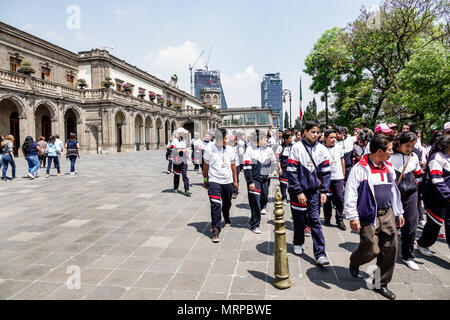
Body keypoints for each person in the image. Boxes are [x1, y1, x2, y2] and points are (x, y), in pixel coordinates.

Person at [344, 134, 405, 300]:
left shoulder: (389, 167)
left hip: (388, 214)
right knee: (371, 248)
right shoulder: (360, 168)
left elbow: (394, 192)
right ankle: (355, 261)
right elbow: (350, 194)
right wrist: (353, 216)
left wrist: (399, 212)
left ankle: (381, 284)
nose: (392, 152)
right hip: (368, 215)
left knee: (390, 249)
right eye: (390, 150)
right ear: (380, 151)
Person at [287, 120, 331, 265]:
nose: (315, 134)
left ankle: (320, 253)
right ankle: (298, 242)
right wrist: (298, 191)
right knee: (299, 220)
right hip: (298, 191)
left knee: (315, 221)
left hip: (314, 192)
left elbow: (325, 172)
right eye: (312, 131)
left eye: (318, 132)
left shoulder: (322, 149)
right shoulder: (296, 148)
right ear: (305, 132)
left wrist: (324, 190)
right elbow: (292, 172)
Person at [390, 131, 423, 271]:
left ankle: (407, 256)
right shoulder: (390, 157)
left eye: (413, 146)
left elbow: (418, 174)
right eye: (407, 145)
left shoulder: (414, 156)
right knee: (390, 226)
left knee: (411, 225)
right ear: (399, 143)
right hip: (393, 194)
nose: (410, 148)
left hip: (411, 193)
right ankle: (386, 254)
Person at [203, 128, 239, 243]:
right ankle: (215, 228)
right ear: (219, 139)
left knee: (227, 203)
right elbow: (205, 166)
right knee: (215, 204)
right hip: (214, 180)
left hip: (228, 181)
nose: (227, 140)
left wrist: (236, 180)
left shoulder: (230, 149)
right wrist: (205, 179)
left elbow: (233, 165)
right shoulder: (209, 148)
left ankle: (226, 215)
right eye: (225, 138)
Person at [416, 135, 450, 256]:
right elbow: (437, 180)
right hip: (437, 199)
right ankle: (422, 244)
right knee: (434, 225)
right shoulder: (436, 158)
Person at [243, 129, 277, 234]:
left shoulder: (269, 150)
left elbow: (274, 161)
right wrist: (250, 182)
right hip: (254, 179)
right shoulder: (249, 150)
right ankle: (255, 224)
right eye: (265, 138)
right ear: (258, 139)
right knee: (255, 202)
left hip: (266, 179)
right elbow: (247, 168)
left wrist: (274, 170)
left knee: (264, 199)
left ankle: (256, 215)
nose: (267, 139)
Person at [322, 128, 347, 231]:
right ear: (325, 138)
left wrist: (343, 173)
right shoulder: (320, 148)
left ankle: (339, 219)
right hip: (326, 177)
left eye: (334, 138)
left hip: (338, 176)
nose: (333, 140)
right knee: (327, 199)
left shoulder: (339, 147)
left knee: (340, 198)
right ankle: (327, 218)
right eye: (331, 138)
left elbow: (342, 160)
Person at [171, 128, 191, 197]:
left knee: (185, 175)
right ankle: (176, 187)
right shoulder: (174, 141)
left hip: (184, 160)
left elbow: (186, 148)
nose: (184, 134)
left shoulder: (184, 140)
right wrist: (180, 150)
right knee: (176, 175)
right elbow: (172, 149)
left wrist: (187, 151)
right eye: (182, 133)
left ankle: (187, 190)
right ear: (179, 133)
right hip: (176, 160)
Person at [276, 130, 293, 203]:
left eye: (291, 138)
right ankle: (284, 197)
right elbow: (278, 159)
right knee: (283, 184)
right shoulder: (280, 148)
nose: (291, 140)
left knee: (292, 184)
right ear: (285, 139)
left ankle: (292, 197)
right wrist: (279, 168)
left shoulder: (293, 147)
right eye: (289, 138)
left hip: (291, 168)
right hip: (283, 168)